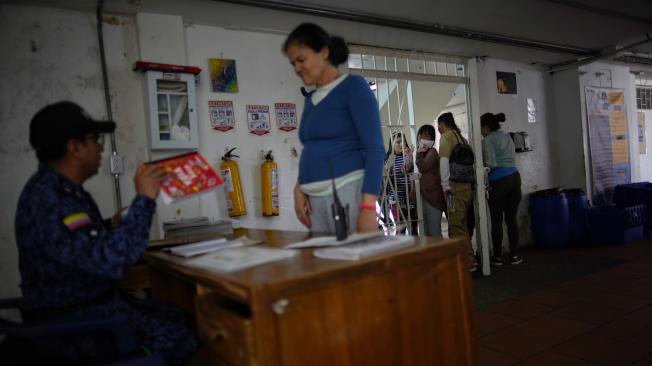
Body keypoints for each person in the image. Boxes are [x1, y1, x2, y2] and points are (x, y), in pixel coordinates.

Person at [14, 101, 199, 365]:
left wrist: (111, 224)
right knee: (185, 337)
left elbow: (78, 243)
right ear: (75, 148)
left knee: (181, 314)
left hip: (82, 308)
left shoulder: (55, 189)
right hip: (75, 324)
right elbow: (114, 262)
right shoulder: (50, 200)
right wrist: (144, 199)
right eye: (95, 139)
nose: (101, 147)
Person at [283, 23, 385, 233]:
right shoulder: (310, 99)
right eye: (293, 63)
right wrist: (299, 187)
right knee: (326, 263)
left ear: (324, 52)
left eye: (301, 60)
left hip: (347, 193)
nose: (297, 69)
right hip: (314, 202)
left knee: (355, 263)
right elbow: (312, 148)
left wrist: (368, 207)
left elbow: (375, 149)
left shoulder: (353, 87)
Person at [481, 112, 523, 265]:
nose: (480, 132)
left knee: (497, 220)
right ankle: (515, 256)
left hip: (498, 182)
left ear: (486, 127)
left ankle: (497, 257)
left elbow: (491, 164)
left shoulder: (487, 140)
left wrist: (481, 170)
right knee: (511, 219)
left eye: (481, 128)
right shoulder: (507, 137)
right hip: (515, 178)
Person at [437, 112, 476, 271]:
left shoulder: (446, 137)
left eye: (439, 126)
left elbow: (444, 161)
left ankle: (465, 261)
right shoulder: (462, 139)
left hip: (453, 189)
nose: (439, 129)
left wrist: (445, 186)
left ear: (442, 124)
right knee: (463, 224)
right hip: (467, 187)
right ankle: (470, 256)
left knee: (454, 225)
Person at [415, 125, 445, 237]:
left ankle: (441, 254)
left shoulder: (432, 152)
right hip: (424, 195)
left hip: (433, 197)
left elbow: (423, 167)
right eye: (421, 135)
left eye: (426, 135)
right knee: (426, 231)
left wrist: (418, 153)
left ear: (432, 139)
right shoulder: (422, 153)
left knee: (434, 231)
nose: (422, 138)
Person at [384, 132, 415, 233]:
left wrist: (409, 156)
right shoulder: (389, 158)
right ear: (391, 144)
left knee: (413, 227)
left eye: (403, 141)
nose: (401, 144)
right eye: (398, 142)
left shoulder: (408, 155)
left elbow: (407, 170)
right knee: (400, 228)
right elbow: (387, 179)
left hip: (410, 197)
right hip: (395, 199)